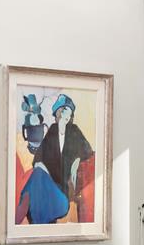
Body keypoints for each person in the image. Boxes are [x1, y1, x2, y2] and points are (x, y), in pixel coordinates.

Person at [18, 92, 94, 225]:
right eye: (61, 110)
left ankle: (21, 212)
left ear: (71, 116)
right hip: (46, 187)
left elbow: (88, 152)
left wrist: (77, 161)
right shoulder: (52, 130)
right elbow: (38, 158)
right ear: (56, 114)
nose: (64, 113)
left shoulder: (74, 131)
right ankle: (29, 215)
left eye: (67, 110)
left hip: (61, 194)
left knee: (34, 185)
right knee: (38, 174)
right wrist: (43, 169)